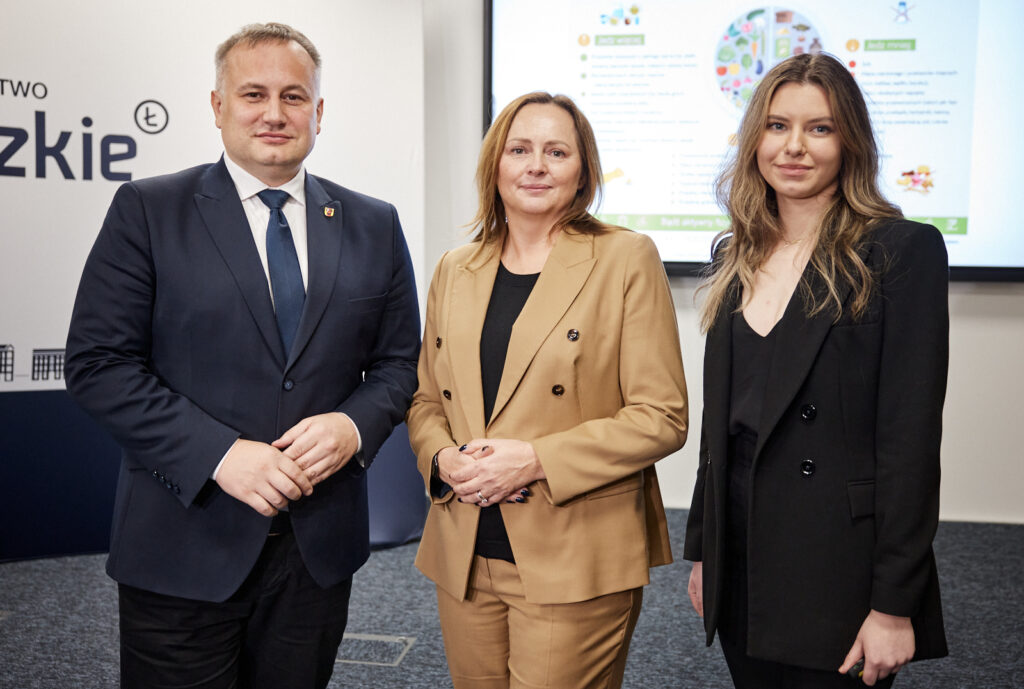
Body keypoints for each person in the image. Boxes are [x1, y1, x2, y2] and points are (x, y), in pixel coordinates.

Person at [64, 22, 420, 689]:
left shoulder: (374, 223)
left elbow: (401, 364)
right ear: (218, 105)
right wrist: (220, 454)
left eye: (294, 96)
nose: (274, 113)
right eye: (254, 94)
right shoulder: (148, 210)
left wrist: (352, 426)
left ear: (318, 111)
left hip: (317, 551)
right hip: (184, 542)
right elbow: (99, 363)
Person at [406, 91, 688, 689]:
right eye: (519, 150)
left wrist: (535, 459)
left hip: (574, 552)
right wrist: (442, 458)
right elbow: (427, 400)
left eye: (557, 152)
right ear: (495, 165)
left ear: (583, 171)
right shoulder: (455, 268)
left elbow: (661, 416)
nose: (536, 165)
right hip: (465, 547)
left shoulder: (625, 258)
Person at [683, 53, 949, 688]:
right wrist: (704, 551)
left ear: (849, 141)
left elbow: (910, 442)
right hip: (741, 548)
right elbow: (722, 427)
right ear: (754, 139)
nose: (794, 147)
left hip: (839, 561)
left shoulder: (899, 250)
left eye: (819, 128)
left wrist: (894, 605)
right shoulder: (736, 252)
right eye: (777, 126)